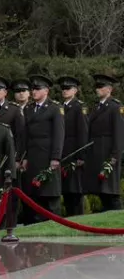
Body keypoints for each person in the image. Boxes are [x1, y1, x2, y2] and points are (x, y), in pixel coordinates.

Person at [19, 74, 64, 223]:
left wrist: (56, 157)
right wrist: (24, 157)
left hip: (47, 155)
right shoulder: (29, 109)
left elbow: (59, 134)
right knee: (34, 195)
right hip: (33, 155)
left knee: (49, 194)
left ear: (46, 91)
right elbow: (25, 135)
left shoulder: (54, 108)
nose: (34, 92)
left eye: (37, 89)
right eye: (33, 89)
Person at [86, 74, 124, 212]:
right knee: (102, 191)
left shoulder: (115, 106)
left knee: (111, 192)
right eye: (97, 86)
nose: (98, 89)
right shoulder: (96, 107)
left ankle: (117, 218)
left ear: (109, 89)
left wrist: (115, 156)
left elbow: (119, 134)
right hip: (97, 152)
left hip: (108, 153)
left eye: (101, 86)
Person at [57, 76, 89, 216]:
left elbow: (83, 132)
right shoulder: (60, 107)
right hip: (63, 154)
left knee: (75, 191)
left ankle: (78, 220)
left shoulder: (79, 107)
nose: (64, 91)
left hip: (75, 154)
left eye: (68, 88)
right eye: (63, 88)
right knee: (66, 191)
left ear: (75, 90)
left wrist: (81, 155)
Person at [0, 76, 26, 169]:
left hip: (7, 155)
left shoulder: (14, 109)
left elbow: (20, 136)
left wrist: (17, 158)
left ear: (5, 92)